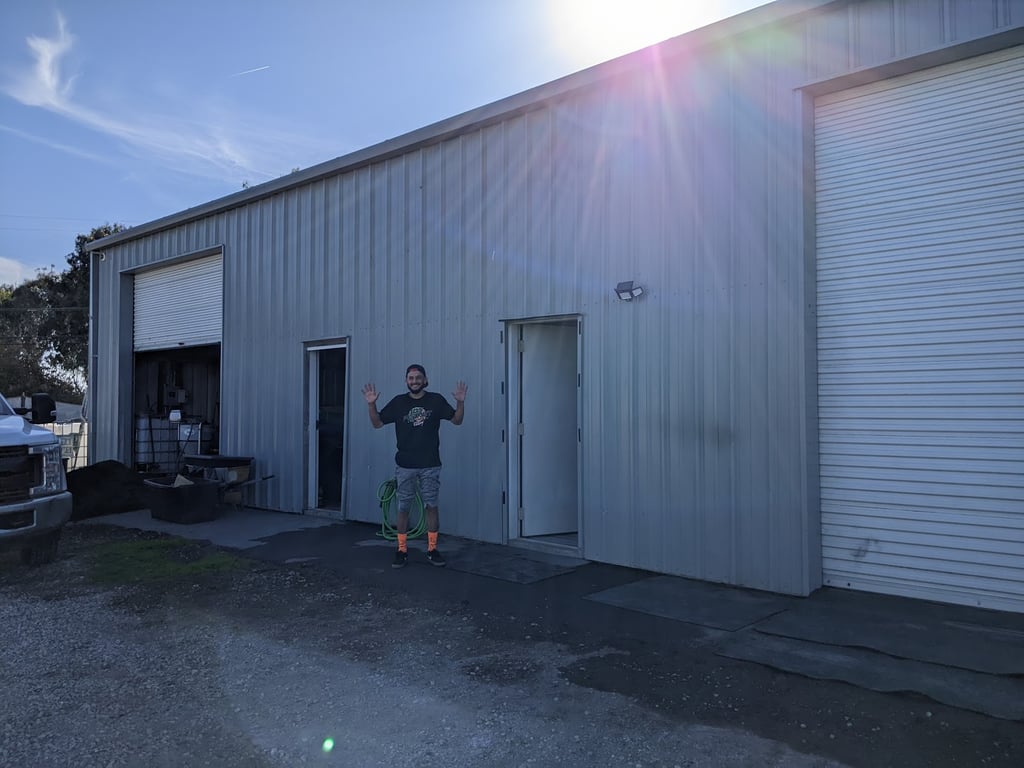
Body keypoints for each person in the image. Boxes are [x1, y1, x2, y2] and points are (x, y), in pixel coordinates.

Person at [363, 365, 466, 568]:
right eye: (411, 378)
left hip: (430, 464)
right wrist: (371, 405)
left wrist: (460, 402)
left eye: (418, 377)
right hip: (405, 465)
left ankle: (432, 549)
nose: (414, 381)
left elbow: (457, 420)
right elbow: (377, 423)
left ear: (425, 380)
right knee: (403, 507)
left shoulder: (436, 400)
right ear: (406, 381)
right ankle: (401, 550)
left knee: (431, 506)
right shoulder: (398, 402)